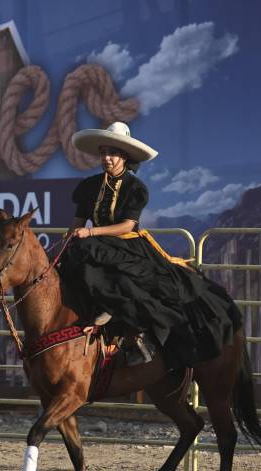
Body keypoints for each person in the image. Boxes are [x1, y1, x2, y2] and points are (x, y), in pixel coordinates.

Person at [59, 122, 243, 370]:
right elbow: (77, 222)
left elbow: (127, 226)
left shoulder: (136, 188)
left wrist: (91, 232)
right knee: (70, 263)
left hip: (126, 245)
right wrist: (68, 240)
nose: (107, 158)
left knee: (132, 281)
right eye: (103, 152)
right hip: (93, 244)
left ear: (124, 156)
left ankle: (128, 327)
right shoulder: (88, 187)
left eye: (112, 153)